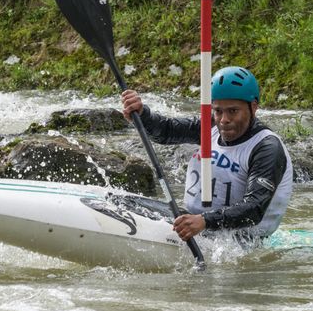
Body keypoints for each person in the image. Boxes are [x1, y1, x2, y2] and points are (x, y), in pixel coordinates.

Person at [121, 66, 292, 246]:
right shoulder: (211, 124)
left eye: (233, 111)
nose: (224, 119)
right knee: (122, 202)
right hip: (195, 223)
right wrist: (142, 115)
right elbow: (167, 130)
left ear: (253, 107)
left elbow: (254, 208)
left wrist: (205, 221)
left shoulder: (267, 148)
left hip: (239, 241)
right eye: (218, 111)